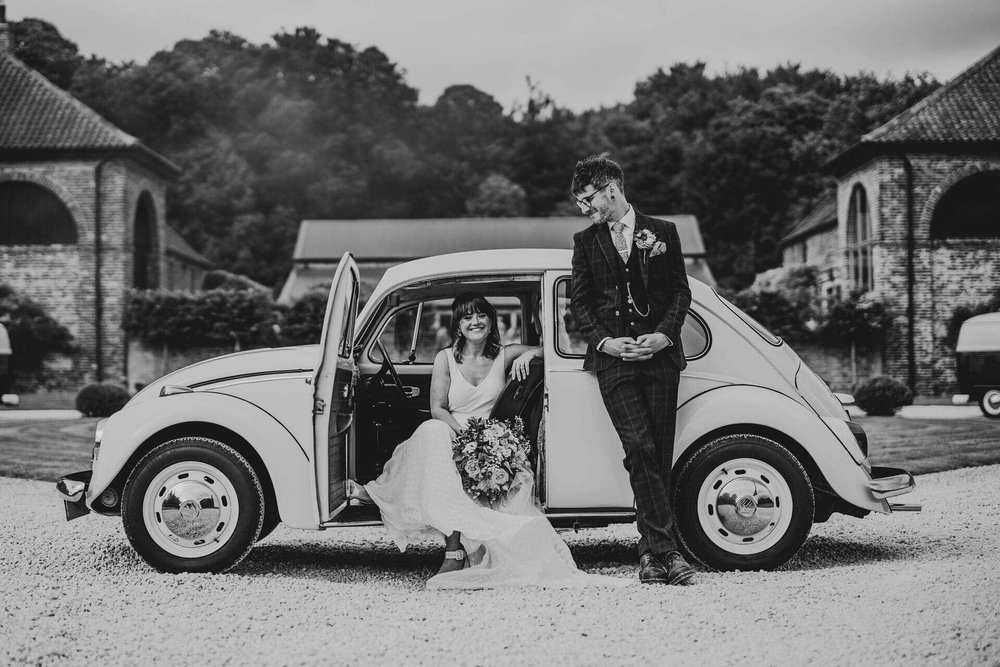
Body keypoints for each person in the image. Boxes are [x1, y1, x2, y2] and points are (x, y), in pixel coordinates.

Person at [347, 292, 621, 589]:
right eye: (466, 317)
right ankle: (434, 532)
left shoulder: (506, 353)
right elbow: (438, 408)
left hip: (489, 441)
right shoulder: (445, 359)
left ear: (491, 321)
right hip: (451, 432)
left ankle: (456, 551)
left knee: (460, 463)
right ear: (458, 325)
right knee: (433, 434)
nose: (474, 321)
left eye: (480, 315)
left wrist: (530, 354)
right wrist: (463, 439)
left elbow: (554, 349)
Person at [568, 154, 696, 586]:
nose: (586, 210)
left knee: (658, 455)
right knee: (638, 448)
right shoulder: (585, 242)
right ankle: (668, 551)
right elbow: (580, 306)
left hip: (661, 358)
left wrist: (664, 334)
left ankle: (651, 556)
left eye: (588, 200)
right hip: (613, 363)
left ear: (611, 189)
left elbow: (680, 292)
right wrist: (605, 340)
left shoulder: (663, 233)